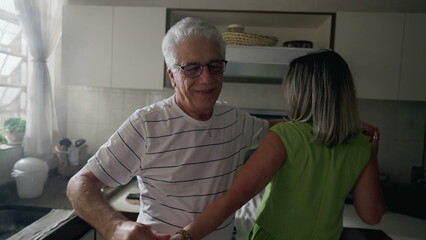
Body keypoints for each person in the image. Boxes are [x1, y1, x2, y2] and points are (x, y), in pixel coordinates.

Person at [66, 17, 285, 240]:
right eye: (191, 68)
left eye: (215, 66)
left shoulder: (235, 120)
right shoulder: (147, 125)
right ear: (172, 76)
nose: (206, 78)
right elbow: (80, 183)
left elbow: (275, 128)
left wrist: (314, 122)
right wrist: (115, 227)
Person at [169, 50, 385, 240]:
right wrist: (371, 152)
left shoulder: (284, 136)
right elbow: (372, 216)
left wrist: (187, 235)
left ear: (299, 92)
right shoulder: (360, 145)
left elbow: (235, 197)